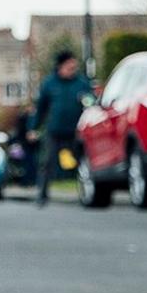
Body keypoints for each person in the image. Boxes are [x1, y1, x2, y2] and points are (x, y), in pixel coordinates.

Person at [32, 50, 94, 207]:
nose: (73, 68)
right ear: (61, 66)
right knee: (47, 162)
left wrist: (89, 101)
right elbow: (41, 108)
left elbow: (90, 104)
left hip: (76, 131)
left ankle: (86, 194)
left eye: (74, 66)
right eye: (69, 65)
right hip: (54, 130)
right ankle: (42, 195)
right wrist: (33, 128)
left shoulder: (81, 83)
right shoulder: (49, 83)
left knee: (83, 163)